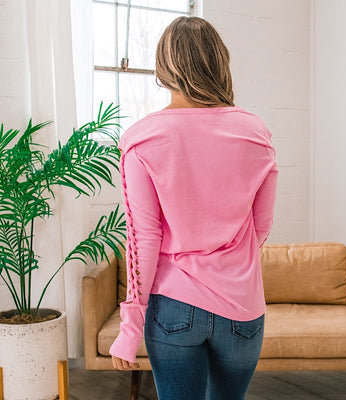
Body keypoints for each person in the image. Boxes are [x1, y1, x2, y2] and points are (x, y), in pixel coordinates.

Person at [109, 16, 279, 400]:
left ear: (163, 69)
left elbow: (143, 239)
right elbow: (261, 226)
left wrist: (130, 327)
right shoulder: (256, 133)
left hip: (175, 306)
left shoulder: (141, 139)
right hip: (243, 309)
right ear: (219, 62)